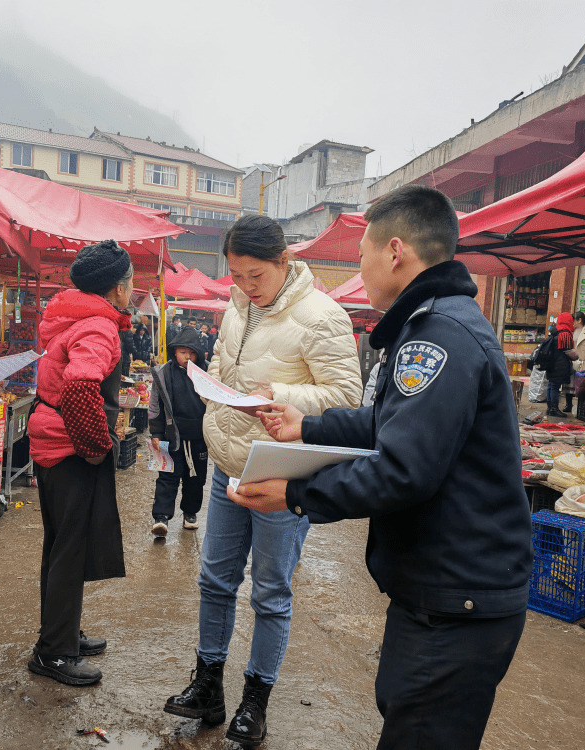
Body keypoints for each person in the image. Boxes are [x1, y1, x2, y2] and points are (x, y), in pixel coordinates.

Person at [230, 185, 533, 750]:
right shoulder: (433, 322)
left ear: (395, 251)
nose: (359, 268)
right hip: (441, 592)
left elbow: (401, 469)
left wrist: (296, 495)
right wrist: (308, 427)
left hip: (458, 599)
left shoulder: (439, 335)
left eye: (362, 254)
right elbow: (387, 422)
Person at [163, 214, 362, 746]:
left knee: (271, 591)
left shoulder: (323, 316)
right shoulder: (237, 307)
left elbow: (347, 399)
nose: (246, 287)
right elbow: (231, 373)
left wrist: (282, 398)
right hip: (229, 462)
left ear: (285, 262)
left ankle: (256, 699)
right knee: (214, 579)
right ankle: (208, 684)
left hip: (281, 471)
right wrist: (215, 389)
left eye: (256, 276)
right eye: (237, 276)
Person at [26, 240, 131, 687]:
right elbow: (80, 386)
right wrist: (95, 445)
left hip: (48, 441)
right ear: (118, 289)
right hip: (69, 448)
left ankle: (60, 633)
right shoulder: (98, 326)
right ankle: (54, 653)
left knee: (60, 545)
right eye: (130, 283)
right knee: (69, 549)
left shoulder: (69, 318)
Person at [148, 326, 209, 536]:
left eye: (192, 353)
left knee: (196, 478)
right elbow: (155, 405)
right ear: (175, 352)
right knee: (167, 476)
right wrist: (156, 433)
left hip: (198, 437)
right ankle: (161, 517)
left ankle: (190, 513)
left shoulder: (206, 371)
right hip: (171, 435)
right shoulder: (164, 373)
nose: (188, 356)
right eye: (183, 352)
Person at [545, 313, 578, 418]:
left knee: (550, 385)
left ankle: (550, 408)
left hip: (551, 363)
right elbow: (568, 351)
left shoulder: (554, 331)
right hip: (560, 365)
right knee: (555, 386)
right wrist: (576, 357)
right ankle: (554, 409)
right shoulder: (565, 334)